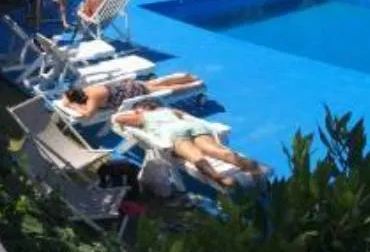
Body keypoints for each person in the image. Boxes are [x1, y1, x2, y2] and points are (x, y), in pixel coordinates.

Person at [113, 102, 266, 189]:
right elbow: (183, 115)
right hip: (191, 126)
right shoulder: (170, 110)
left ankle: (221, 179)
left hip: (172, 132)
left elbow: (117, 119)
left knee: (195, 156)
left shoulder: (142, 116)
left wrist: (136, 113)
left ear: (141, 108)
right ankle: (249, 165)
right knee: (214, 150)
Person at [61, 73, 202, 119]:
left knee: (163, 88)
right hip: (128, 86)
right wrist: (70, 100)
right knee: (158, 83)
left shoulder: (93, 98)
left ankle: (192, 85)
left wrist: (73, 105)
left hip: (133, 91)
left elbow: (88, 114)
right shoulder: (86, 90)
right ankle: (188, 77)